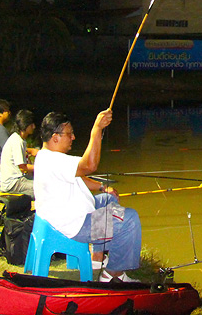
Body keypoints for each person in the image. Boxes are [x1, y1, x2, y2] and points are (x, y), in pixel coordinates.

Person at [34, 110, 142, 283]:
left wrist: (102, 187)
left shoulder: (46, 156)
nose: (73, 137)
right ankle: (112, 274)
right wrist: (96, 130)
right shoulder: (54, 161)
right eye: (69, 134)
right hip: (74, 224)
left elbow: (79, 177)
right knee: (129, 219)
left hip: (68, 212)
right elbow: (90, 165)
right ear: (55, 137)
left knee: (109, 198)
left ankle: (97, 257)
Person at [0, 109, 39, 197]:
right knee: (41, 188)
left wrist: (31, 151)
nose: (34, 127)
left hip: (15, 180)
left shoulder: (18, 139)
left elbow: (23, 153)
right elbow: (23, 167)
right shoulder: (17, 141)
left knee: (42, 182)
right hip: (13, 183)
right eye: (31, 124)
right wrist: (40, 168)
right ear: (25, 125)